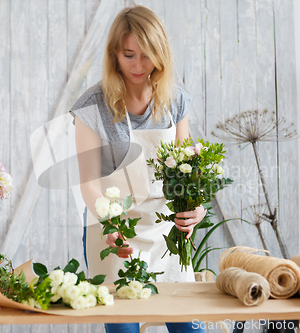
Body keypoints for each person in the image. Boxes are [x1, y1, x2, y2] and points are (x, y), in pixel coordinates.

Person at [70, 5, 206, 333]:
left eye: (147, 56)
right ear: (114, 53)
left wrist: (196, 207)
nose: (139, 66)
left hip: (166, 233)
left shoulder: (176, 102)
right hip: (113, 232)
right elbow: (89, 183)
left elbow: (187, 174)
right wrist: (110, 226)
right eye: (129, 55)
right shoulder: (92, 106)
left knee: (190, 327)